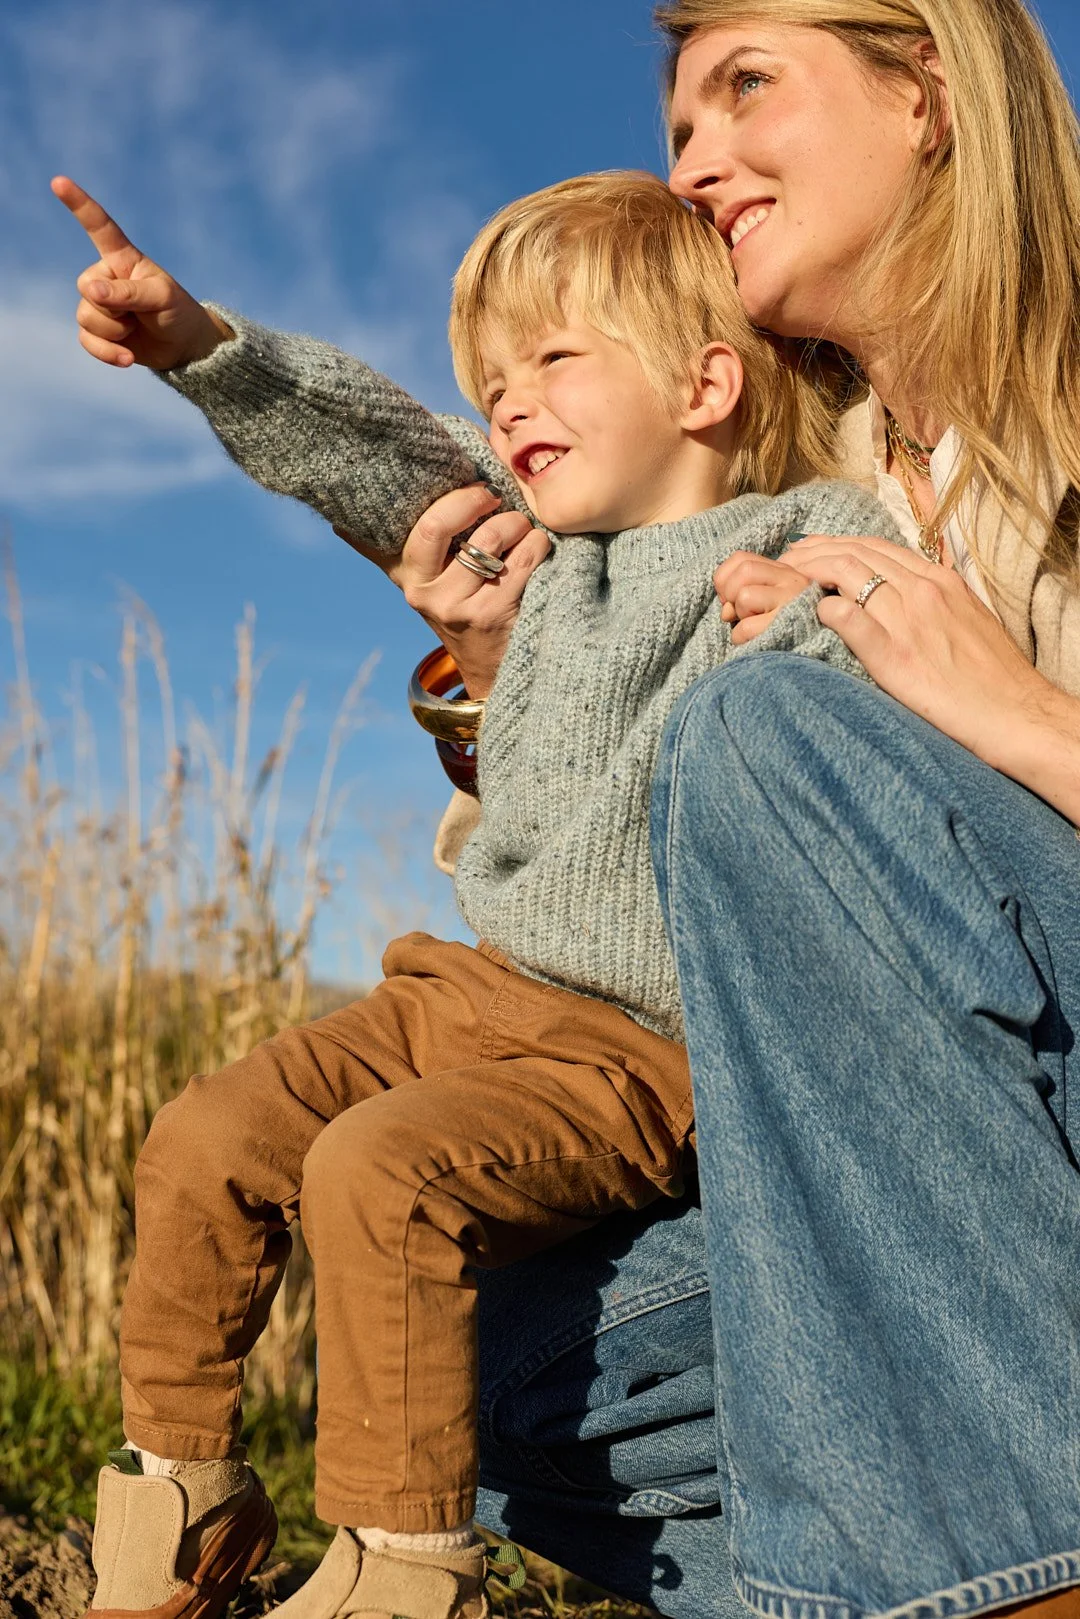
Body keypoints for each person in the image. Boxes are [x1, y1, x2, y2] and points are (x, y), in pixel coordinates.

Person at [55, 168, 902, 1619]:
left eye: (552, 360)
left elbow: (856, 762)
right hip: (465, 992)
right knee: (209, 1132)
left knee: (381, 1177)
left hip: (639, 1049)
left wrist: (825, 618)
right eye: (494, 380)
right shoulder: (544, 553)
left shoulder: (809, 542)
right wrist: (200, 342)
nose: (509, 404)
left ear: (705, 383)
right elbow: (364, 445)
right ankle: (179, 1494)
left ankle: (405, 1567)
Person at [373, 3, 1080, 1618]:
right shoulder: (797, 485)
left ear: (931, 92)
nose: (693, 164)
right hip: (954, 1184)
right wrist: (512, 680)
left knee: (773, 734)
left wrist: (1020, 713)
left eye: (744, 87)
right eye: (679, 123)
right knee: (488, 1372)